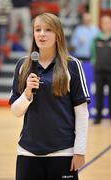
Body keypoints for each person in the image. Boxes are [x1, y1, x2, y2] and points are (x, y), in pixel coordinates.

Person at [9, 13, 90, 180]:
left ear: (58, 35)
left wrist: (79, 151)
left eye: (48, 30)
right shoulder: (23, 66)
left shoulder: (72, 65)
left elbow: (82, 113)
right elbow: (16, 112)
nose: (41, 34)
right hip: (27, 152)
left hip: (63, 153)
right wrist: (27, 93)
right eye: (37, 30)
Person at [91, 15, 111, 124]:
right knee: (99, 94)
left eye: (108, 22)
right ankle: (98, 118)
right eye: (104, 22)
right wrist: (94, 63)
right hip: (98, 71)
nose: (107, 25)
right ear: (101, 24)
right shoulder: (95, 39)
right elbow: (92, 53)